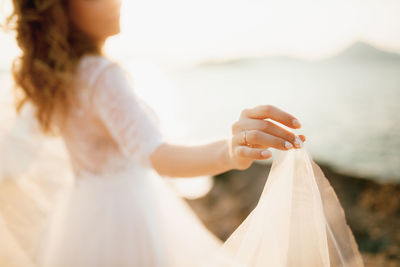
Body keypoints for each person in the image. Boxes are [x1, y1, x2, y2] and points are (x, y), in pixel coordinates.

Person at [0, 0, 364, 266]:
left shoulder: (61, 79)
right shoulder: (100, 75)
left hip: (81, 218)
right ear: (61, 10)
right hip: (126, 217)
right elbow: (159, 156)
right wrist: (230, 149)